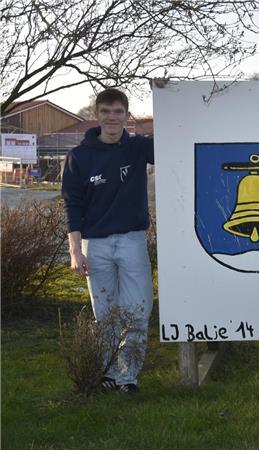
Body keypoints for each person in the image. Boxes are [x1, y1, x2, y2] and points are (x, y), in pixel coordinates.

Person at [61, 88, 154, 394]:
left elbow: (175, 139)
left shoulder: (139, 147)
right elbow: (72, 205)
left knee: (137, 311)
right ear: (96, 115)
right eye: (106, 111)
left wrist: (166, 91)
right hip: (96, 245)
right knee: (105, 315)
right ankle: (109, 373)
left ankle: (128, 378)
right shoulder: (79, 156)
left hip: (132, 241)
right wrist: (75, 251)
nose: (112, 118)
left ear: (127, 116)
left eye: (118, 112)